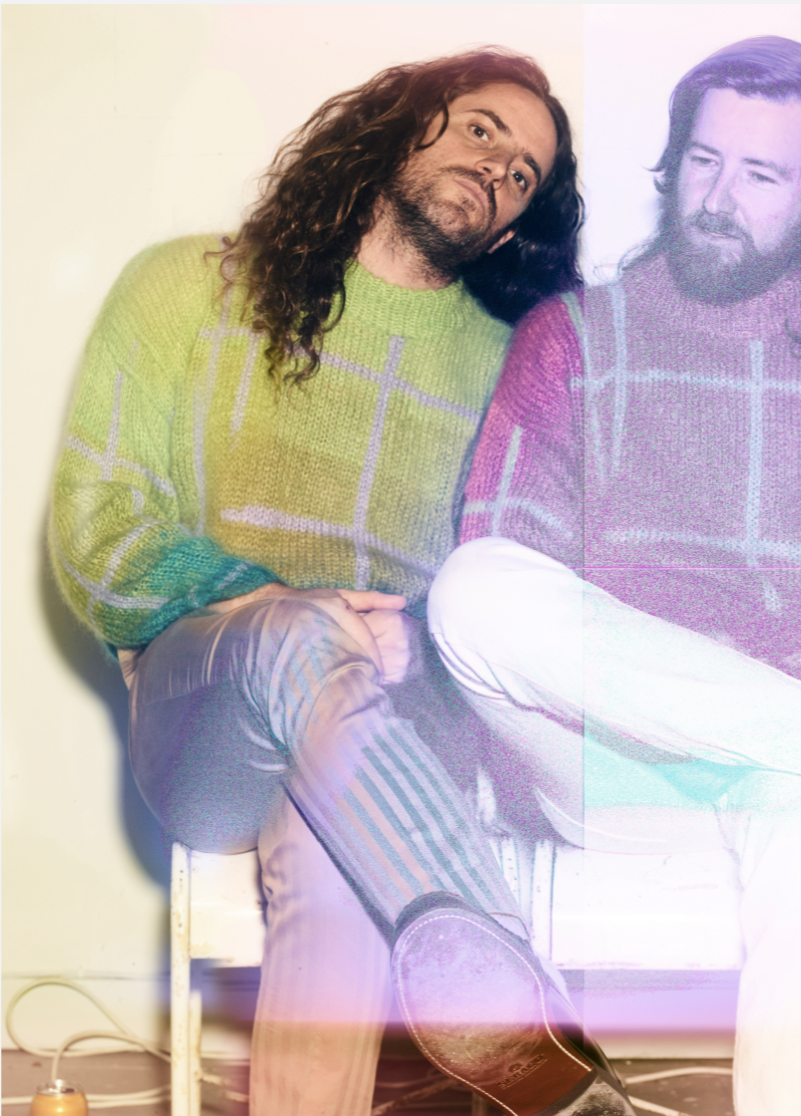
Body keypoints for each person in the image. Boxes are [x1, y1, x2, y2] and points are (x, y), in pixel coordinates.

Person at [49, 47, 640, 1116]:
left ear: (512, 231)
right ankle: (517, 1008)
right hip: (204, 722)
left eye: (523, 177)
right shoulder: (186, 286)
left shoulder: (506, 366)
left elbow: (517, 590)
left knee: (339, 866)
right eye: (481, 130)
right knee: (297, 635)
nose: (499, 169)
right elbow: (98, 532)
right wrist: (272, 600)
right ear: (401, 123)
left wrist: (425, 641)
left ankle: (490, 1013)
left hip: (378, 737)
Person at [429, 36, 801, 1116]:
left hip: (782, 773)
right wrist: (669, 683)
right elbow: (518, 569)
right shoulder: (570, 337)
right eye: (703, 161)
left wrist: (718, 685)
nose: (717, 200)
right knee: (475, 588)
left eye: (761, 175)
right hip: (599, 761)